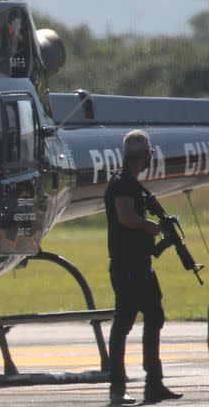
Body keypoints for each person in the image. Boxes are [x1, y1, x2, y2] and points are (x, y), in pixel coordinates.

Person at [104, 129, 182, 404]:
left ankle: (154, 384)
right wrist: (147, 225)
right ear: (144, 154)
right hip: (128, 268)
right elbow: (126, 216)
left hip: (140, 265)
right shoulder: (124, 184)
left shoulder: (129, 182)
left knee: (154, 316)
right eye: (149, 153)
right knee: (123, 324)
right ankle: (117, 389)